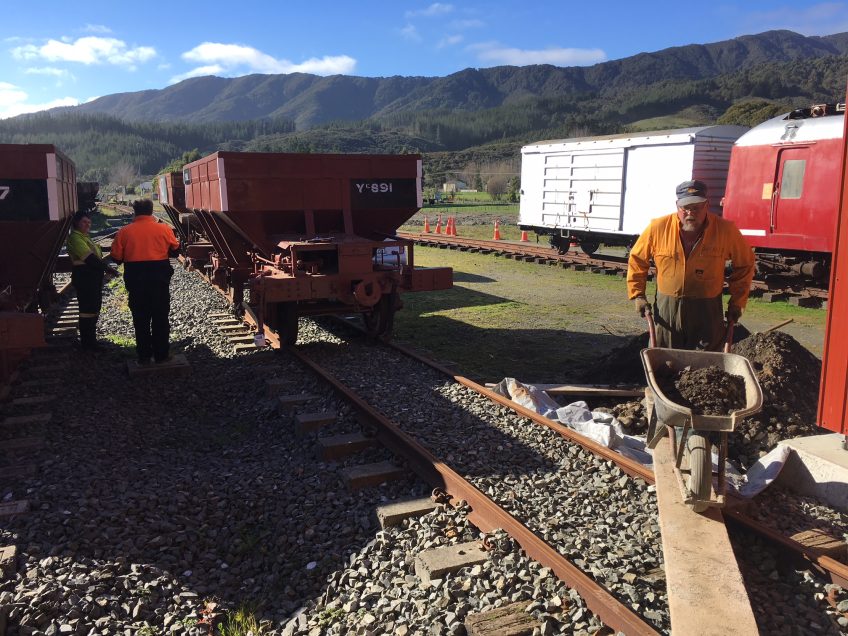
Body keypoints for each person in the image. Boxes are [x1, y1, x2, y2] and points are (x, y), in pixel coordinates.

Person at [626, 179, 755, 351]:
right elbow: (637, 259)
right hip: (667, 308)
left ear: (706, 205)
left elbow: (745, 264)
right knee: (664, 356)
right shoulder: (658, 227)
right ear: (677, 206)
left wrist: (737, 302)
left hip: (707, 310)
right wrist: (638, 295)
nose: (690, 213)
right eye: (685, 208)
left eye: (696, 208)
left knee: (706, 362)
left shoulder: (725, 230)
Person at [110, 199, 180, 364]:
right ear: (150, 211)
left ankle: (144, 356)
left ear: (135, 211)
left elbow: (116, 257)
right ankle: (162, 355)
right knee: (160, 317)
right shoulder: (164, 229)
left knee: (140, 318)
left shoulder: (124, 232)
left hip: (136, 281)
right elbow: (176, 251)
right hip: (159, 280)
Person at [66, 211, 117, 349]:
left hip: (91, 278)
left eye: (89, 222)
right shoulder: (76, 238)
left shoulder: (85, 237)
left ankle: (91, 341)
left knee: (94, 308)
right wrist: (108, 269)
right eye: (84, 222)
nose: (87, 224)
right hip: (84, 277)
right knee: (87, 310)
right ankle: (87, 343)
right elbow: (89, 258)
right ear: (76, 223)